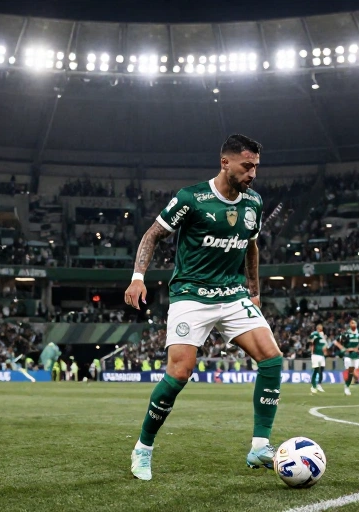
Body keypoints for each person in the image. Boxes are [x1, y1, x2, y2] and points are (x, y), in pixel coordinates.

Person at [124, 134, 282, 481]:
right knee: (180, 373)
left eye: (256, 166)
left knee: (272, 359)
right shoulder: (191, 198)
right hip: (191, 295)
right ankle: (143, 448)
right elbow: (152, 234)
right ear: (225, 163)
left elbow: (251, 247)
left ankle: (259, 446)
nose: (253, 173)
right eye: (247, 166)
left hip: (233, 295)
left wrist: (255, 292)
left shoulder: (254, 202)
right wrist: (138, 277)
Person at [333, 319, 359, 396]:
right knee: (353, 373)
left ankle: (346, 386)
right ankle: (347, 387)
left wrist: (358, 348)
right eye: (352, 323)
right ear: (350, 325)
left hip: (355, 356)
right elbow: (335, 342)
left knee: (353, 375)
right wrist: (343, 349)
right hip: (348, 356)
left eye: (354, 322)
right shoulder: (346, 334)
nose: (353, 324)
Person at [309, 324, 327, 394]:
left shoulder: (323, 336)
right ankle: (313, 386)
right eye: (319, 328)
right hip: (315, 355)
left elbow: (324, 345)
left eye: (321, 328)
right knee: (316, 370)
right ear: (317, 328)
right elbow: (311, 340)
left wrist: (325, 350)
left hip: (321, 355)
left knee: (321, 370)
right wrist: (317, 336)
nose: (320, 329)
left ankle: (319, 385)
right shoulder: (315, 334)